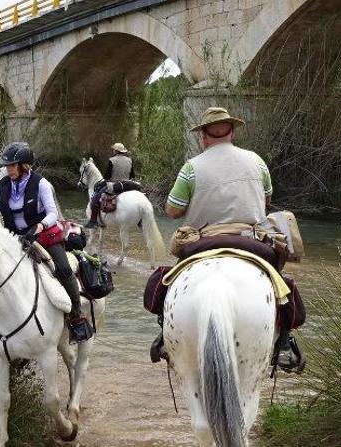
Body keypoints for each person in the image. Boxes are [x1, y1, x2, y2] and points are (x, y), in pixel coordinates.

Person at [153, 107, 303, 371]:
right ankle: (284, 344)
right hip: (253, 242)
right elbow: (267, 200)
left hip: (203, 242)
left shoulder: (191, 168)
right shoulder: (257, 161)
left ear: (203, 136)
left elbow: (172, 211)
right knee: (282, 286)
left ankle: (166, 336)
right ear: (232, 132)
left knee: (163, 284)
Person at [0, 142, 93, 347]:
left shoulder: (41, 184)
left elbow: (52, 213)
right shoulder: (1, 187)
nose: (8, 169)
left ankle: (76, 316)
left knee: (64, 269)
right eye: (7, 166)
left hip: (42, 236)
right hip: (12, 239)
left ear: (25, 166)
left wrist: (38, 227)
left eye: (12, 165)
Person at [85, 142, 135, 229]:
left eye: (113, 150)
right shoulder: (129, 160)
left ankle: (93, 222)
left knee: (94, 200)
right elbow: (132, 175)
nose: (113, 151)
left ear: (116, 151)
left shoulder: (112, 160)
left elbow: (107, 176)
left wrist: (105, 181)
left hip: (114, 185)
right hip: (128, 185)